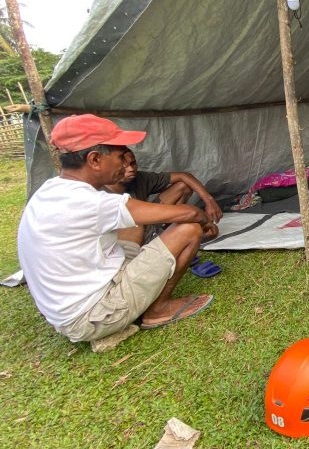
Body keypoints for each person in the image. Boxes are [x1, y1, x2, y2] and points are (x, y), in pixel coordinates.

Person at [17, 114, 220, 343]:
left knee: (135, 224)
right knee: (189, 228)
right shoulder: (93, 202)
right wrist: (205, 222)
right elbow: (190, 213)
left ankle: (143, 299)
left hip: (71, 311)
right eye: (119, 157)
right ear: (95, 160)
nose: (125, 165)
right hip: (94, 316)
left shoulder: (51, 190)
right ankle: (157, 310)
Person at [104, 148, 222, 244]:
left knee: (183, 186)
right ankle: (165, 238)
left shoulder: (139, 178)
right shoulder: (99, 193)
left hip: (147, 222)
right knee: (133, 223)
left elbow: (182, 175)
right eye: (124, 166)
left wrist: (209, 200)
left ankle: (167, 231)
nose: (130, 169)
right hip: (128, 234)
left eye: (133, 163)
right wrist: (203, 222)